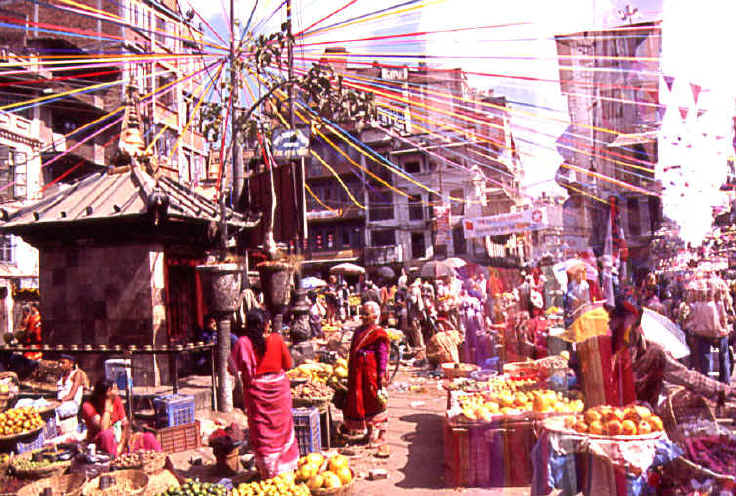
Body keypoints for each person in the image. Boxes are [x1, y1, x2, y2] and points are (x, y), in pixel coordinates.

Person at [229, 309, 298, 478]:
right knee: (282, 429)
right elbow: (288, 364)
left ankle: (267, 470)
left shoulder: (242, 343)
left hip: (256, 395)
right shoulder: (276, 339)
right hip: (279, 393)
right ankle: (283, 470)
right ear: (266, 324)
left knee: (262, 431)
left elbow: (231, 369)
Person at [342, 302, 390, 456]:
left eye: (366, 314)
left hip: (372, 373)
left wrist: (382, 374)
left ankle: (380, 435)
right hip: (358, 374)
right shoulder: (358, 330)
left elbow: (382, 356)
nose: (362, 316)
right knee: (363, 402)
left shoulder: (378, 333)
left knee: (375, 401)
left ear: (375, 316)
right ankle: (369, 433)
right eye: (361, 313)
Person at [81, 380, 160, 457]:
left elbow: (125, 425)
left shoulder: (116, 400)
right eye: (115, 389)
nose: (117, 392)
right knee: (106, 434)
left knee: (148, 437)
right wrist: (108, 404)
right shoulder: (88, 406)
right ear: (108, 391)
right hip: (101, 444)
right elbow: (103, 429)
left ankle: (163, 461)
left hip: (122, 441)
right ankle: (113, 461)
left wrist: (122, 444)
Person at [56, 354, 85, 423]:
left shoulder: (77, 374)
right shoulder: (61, 375)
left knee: (55, 410)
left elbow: (71, 395)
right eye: (59, 363)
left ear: (71, 364)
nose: (60, 365)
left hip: (71, 404)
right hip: (61, 403)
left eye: (63, 363)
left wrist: (58, 402)